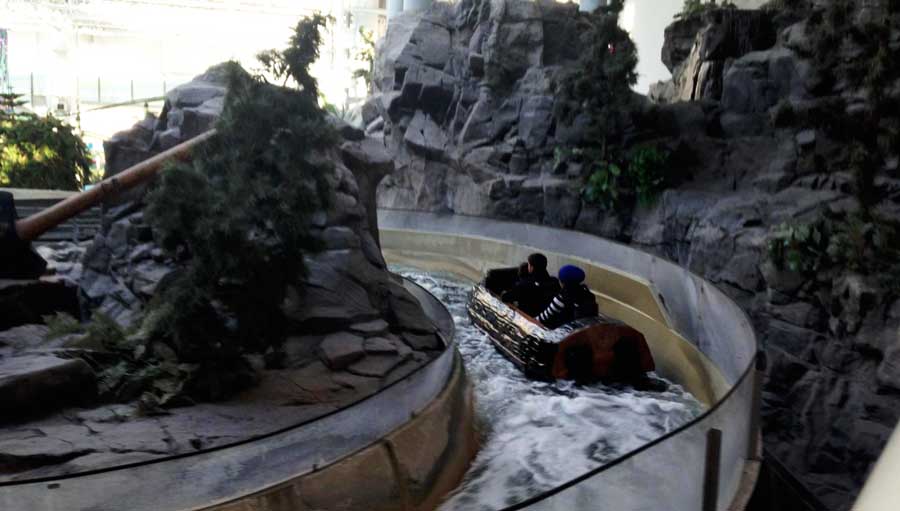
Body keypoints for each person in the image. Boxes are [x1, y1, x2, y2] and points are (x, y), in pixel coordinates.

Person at [537, 264, 599, 329]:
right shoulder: (589, 295)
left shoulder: (561, 298)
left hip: (567, 331)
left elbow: (544, 317)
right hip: (584, 329)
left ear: (562, 283)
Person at [501, 253, 560, 317]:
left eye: (528, 265)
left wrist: (504, 293)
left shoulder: (524, 285)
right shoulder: (555, 282)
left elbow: (505, 298)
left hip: (530, 321)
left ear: (531, 267)